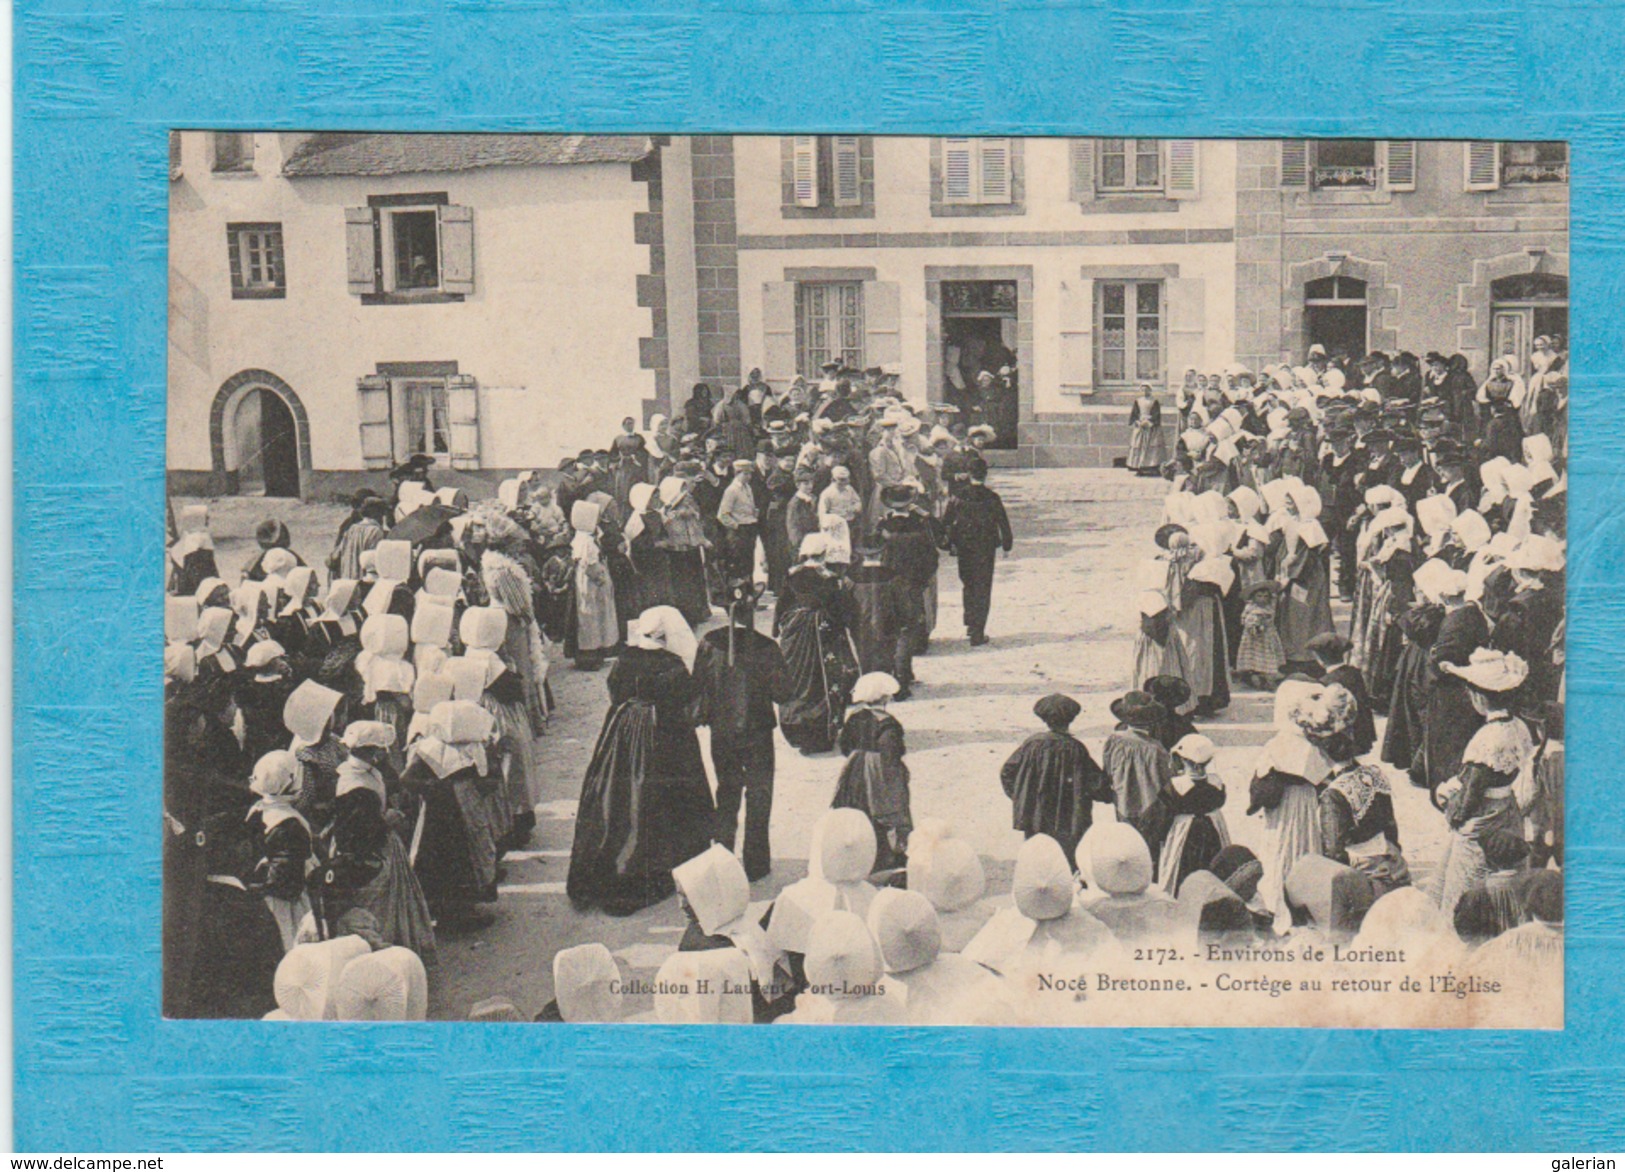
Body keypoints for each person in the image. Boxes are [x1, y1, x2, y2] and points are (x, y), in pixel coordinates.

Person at [566, 608, 715, 915]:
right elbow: (685, 702)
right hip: (664, 735)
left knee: (619, 797)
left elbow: (614, 691)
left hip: (623, 731)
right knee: (665, 795)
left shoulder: (625, 659)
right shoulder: (672, 665)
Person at [692, 585, 790, 881]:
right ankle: (756, 864)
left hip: (722, 733)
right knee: (759, 796)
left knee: (727, 792)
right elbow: (783, 693)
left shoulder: (709, 643)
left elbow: (699, 690)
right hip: (758, 731)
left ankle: (722, 858)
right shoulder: (766, 647)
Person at [1432, 649, 1534, 916]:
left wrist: (1458, 813)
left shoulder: (1487, 737)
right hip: (1507, 808)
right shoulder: (1520, 726)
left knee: (1467, 876)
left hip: (1483, 813)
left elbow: (1475, 786)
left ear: (1478, 697)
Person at [999, 693, 1111, 864]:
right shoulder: (1076, 748)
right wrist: (1108, 795)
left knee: (1037, 860)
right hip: (1069, 819)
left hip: (1036, 816)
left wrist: (1021, 797)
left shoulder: (1032, 744)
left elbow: (1007, 772)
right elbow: (1095, 783)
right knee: (1067, 862)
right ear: (1071, 720)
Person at [774, 535, 861, 755]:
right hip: (822, 632)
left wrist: (777, 628)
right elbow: (841, 609)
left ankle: (796, 729)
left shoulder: (791, 575)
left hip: (794, 632)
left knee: (796, 679)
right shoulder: (829, 577)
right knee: (823, 680)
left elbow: (782, 604)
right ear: (824, 554)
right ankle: (821, 732)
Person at [832, 672, 912, 872]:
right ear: (885, 698)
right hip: (881, 773)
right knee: (887, 813)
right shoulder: (889, 724)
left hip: (855, 772)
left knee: (860, 810)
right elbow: (894, 751)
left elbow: (844, 746)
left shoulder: (854, 719)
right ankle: (888, 856)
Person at [941, 466, 1012, 646]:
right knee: (983, 586)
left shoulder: (958, 496)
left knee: (968, 583)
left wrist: (949, 543)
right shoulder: (992, 497)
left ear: (969, 475)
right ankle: (978, 631)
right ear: (985, 475)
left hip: (964, 546)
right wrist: (1007, 545)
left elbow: (945, 521)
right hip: (986, 547)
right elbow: (1003, 522)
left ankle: (970, 623)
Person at [1101, 690, 1174, 863]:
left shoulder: (1113, 740)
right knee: (1149, 850)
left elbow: (1107, 770)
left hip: (1122, 800)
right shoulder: (1156, 749)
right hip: (1151, 805)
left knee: (1126, 845)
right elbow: (1167, 781)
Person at [1155, 733, 1229, 896]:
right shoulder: (1216, 783)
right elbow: (1220, 802)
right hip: (1212, 828)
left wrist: (1161, 836)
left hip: (1184, 831)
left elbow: (1163, 816)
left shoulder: (1176, 786)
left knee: (1183, 868)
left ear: (1182, 760)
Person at [1308, 632, 1376, 756]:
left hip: (1341, 740)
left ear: (1321, 659)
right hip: (1361, 734)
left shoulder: (1325, 681)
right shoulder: (1354, 673)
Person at [717, 459, 761, 584]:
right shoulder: (732, 490)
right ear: (737, 473)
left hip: (750, 528)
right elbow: (723, 515)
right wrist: (735, 526)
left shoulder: (747, 488)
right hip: (739, 531)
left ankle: (748, 590)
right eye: (745, 474)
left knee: (748, 563)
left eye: (750, 474)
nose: (748, 477)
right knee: (738, 564)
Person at [1126, 385, 1168, 475]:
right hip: (1140, 425)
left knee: (1152, 446)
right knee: (1139, 445)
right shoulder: (1138, 401)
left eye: (1147, 390)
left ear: (1150, 390)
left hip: (1151, 426)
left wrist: (1150, 422)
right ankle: (1139, 466)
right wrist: (1137, 421)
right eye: (1143, 390)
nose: (1145, 392)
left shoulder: (1154, 401)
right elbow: (1135, 413)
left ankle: (1151, 466)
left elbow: (1156, 414)